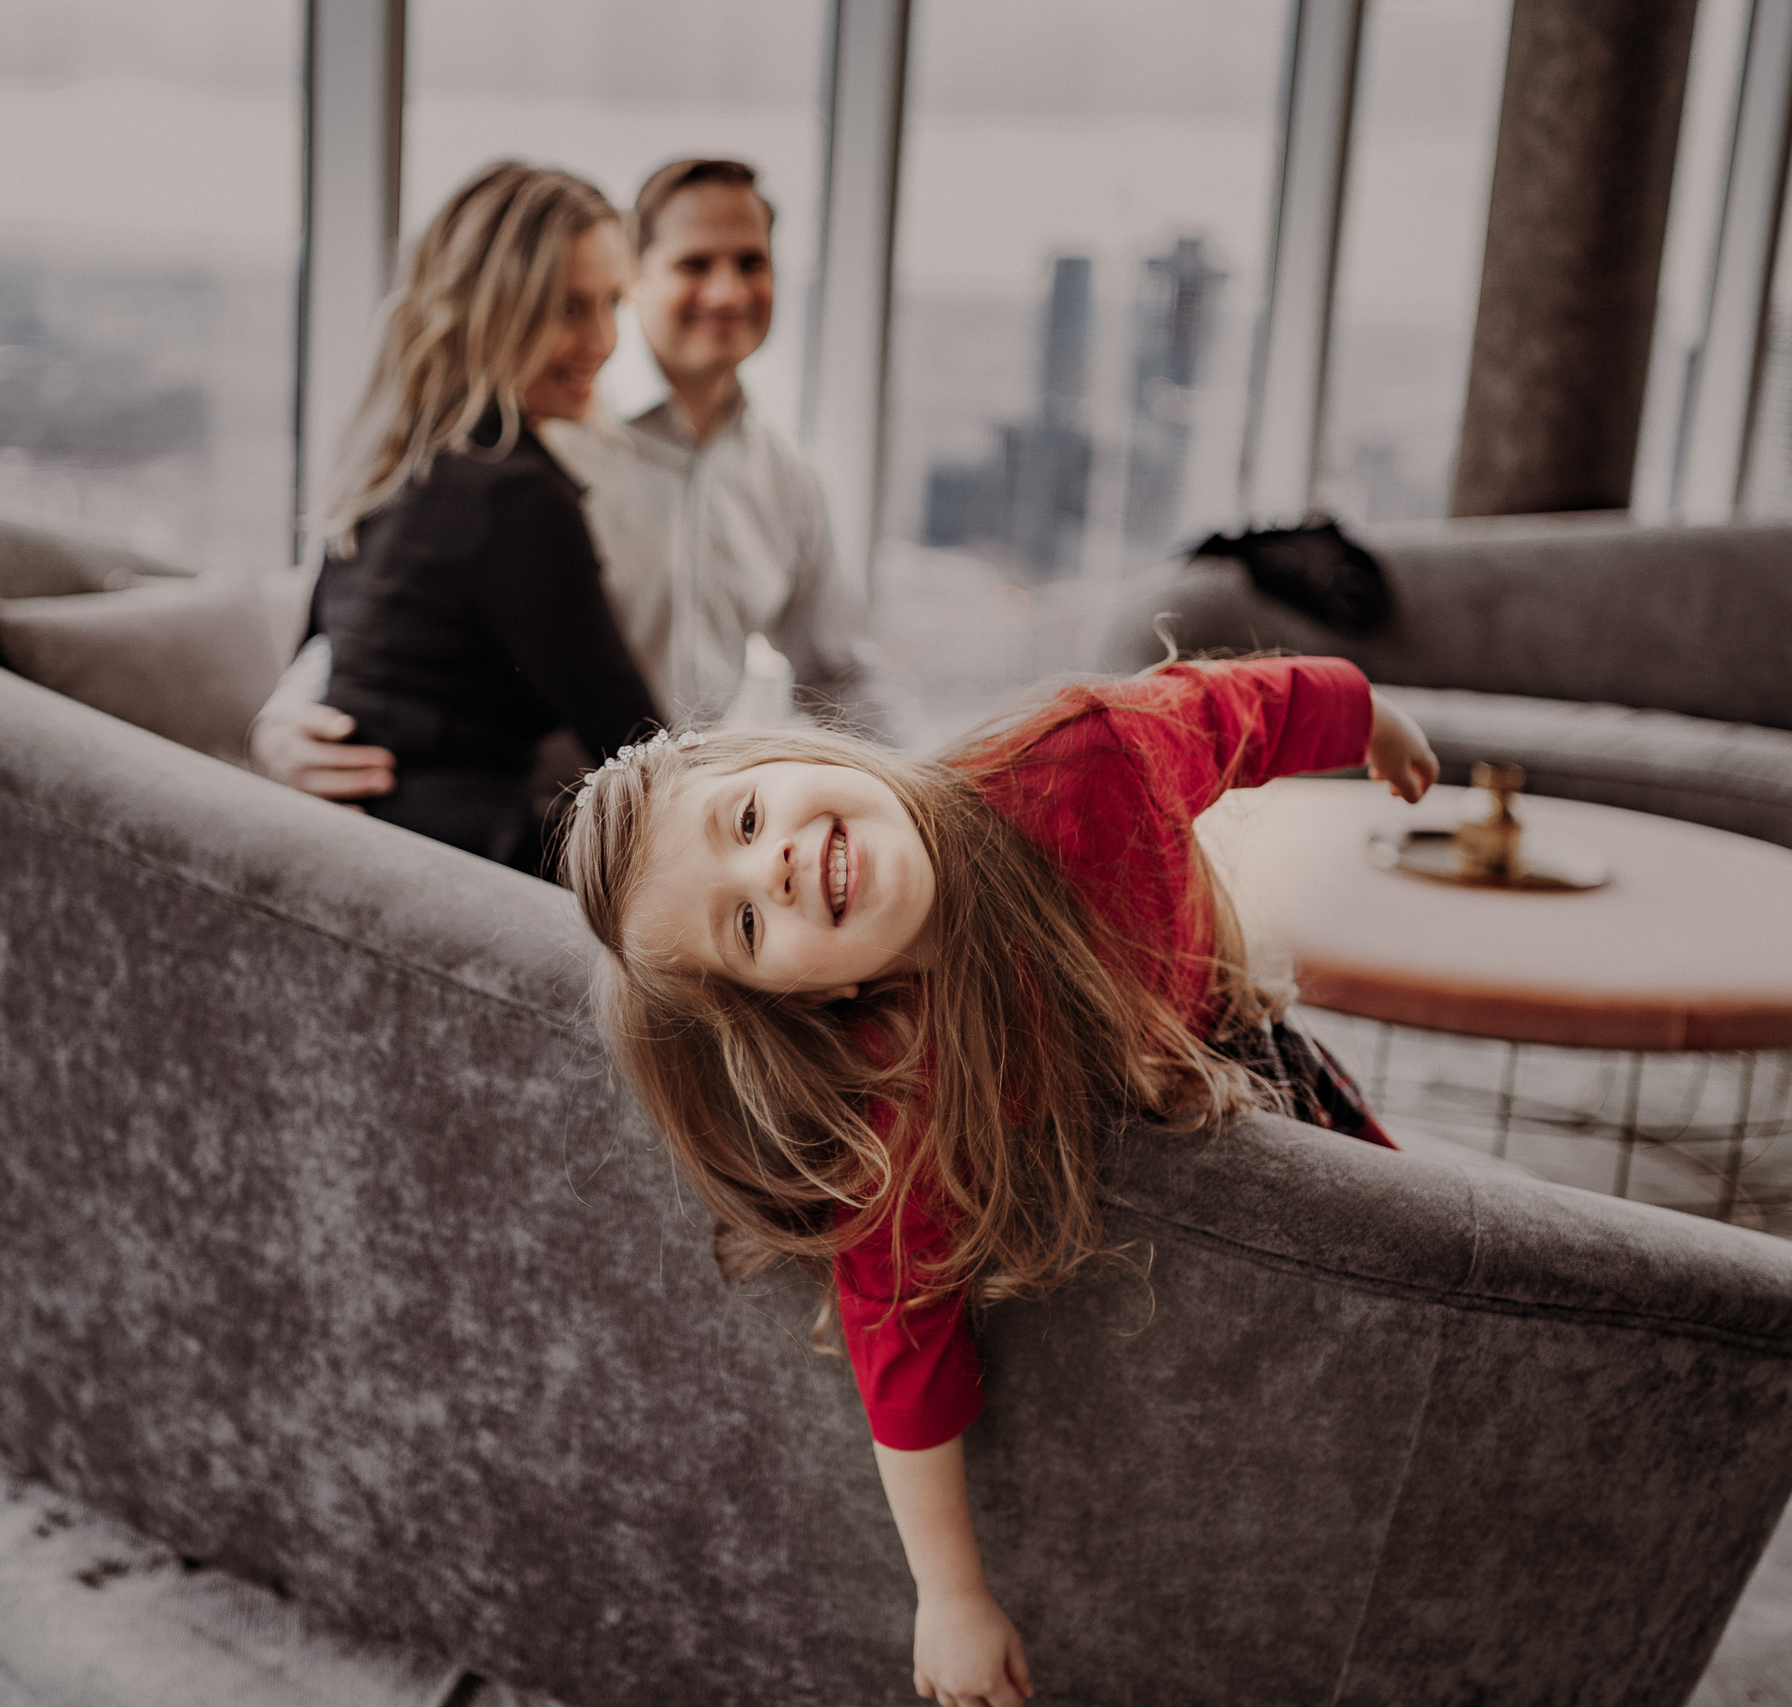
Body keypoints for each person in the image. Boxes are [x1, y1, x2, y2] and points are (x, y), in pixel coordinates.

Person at [559, 656, 1439, 1706]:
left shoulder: (1091, 758)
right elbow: (899, 1342)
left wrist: (1370, 721)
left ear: (800, 754)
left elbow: (1237, 709)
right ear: (811, 994)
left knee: (1419, 1267)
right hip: (1143, 1107)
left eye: (745, 821)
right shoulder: (905, 1093)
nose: (774, 872)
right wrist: (950, 1596)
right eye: (745, 926)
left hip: (1230, 1033)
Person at [253, 156, 883, 805]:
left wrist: (922, 796)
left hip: (667, 798)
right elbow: (371, 611)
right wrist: (280, 724)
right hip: (572, 814)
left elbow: (839, 673)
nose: (727, 293)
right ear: (642, 274)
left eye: (751, 262)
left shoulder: (789, 477)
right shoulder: (544, 432)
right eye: (695, 264)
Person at [298, 161, 660, 868]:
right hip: (456, 873)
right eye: (569, 308)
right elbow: (645, 752)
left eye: (612, 302)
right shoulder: (514, 496)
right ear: (494, 309)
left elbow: (317, 658)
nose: (605, 340)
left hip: (363, 853)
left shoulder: (400, 459)